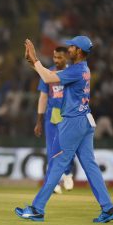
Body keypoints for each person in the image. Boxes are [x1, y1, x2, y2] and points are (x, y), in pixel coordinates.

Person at [15, 36, 113, 223]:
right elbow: (51, 78)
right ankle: (108, 208)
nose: (69, 49)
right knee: (90, 165)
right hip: (84, 120)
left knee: (57, 164)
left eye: (72, 47)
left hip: (73, 122)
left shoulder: (77, 70)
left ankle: (37, 209)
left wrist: (36, 58)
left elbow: (48, 78)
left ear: (79, 51)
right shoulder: (82, 69)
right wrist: (33, 62)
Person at [34, 46, 74, 194]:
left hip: (69, 115)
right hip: (52, 114)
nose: (56, 60)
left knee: (67, 149)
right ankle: (54, 182)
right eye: (54, 57)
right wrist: (39, 120)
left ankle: (68, 173)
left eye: (60, 57)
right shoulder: (47, 73)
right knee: (51, 150)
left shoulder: (73, 72)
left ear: (66, 58)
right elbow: (43, 97)